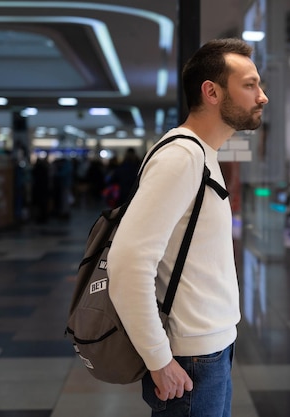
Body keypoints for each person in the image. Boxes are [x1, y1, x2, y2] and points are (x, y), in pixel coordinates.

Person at [107, 38, 268, 417]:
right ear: (211, 92)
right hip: (190, 361)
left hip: (209, 352)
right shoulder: (181, 157)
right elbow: (128, 263)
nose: (262, 96)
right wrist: (158, 359)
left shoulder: (201, 154)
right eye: (249, 85)